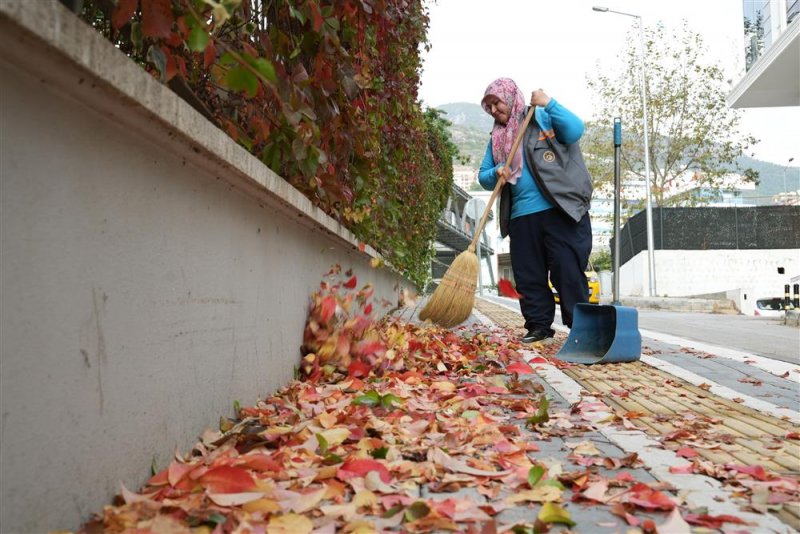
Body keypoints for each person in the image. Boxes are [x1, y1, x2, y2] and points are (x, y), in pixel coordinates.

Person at [478, 78, 593, 343]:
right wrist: (497, 171)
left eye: (497, 102)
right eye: (489, 107)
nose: (494, 110)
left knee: (567, 268)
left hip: (560, 208)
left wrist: (549, 103)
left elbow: (575, 131)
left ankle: (581, 329)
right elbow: (483, 176)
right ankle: (538, 326)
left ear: (511, 97)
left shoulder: (540, 117)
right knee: (529, 274)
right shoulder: (496, 139)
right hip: (521, 216)